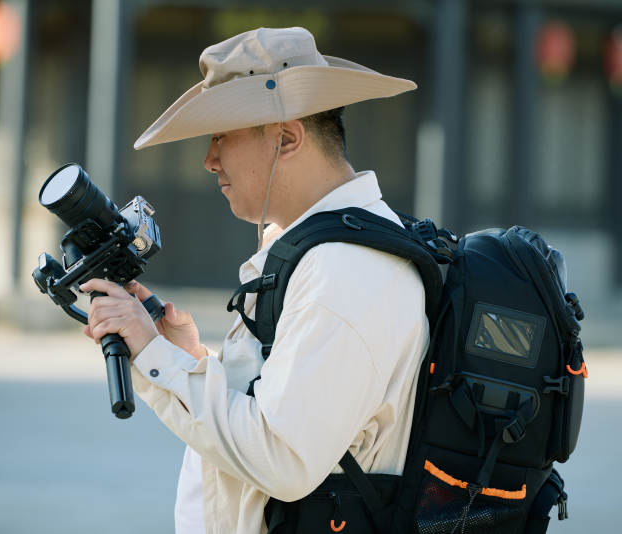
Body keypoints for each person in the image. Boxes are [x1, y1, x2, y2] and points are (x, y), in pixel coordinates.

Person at [80, 27, 428, 534]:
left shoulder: (345, 270)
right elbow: (275, 413)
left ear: (287, 138)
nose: (209, 160)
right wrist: (188, 359)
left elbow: (281, 457)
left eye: (222, 135)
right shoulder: (326, 250)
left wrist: (156, 357)